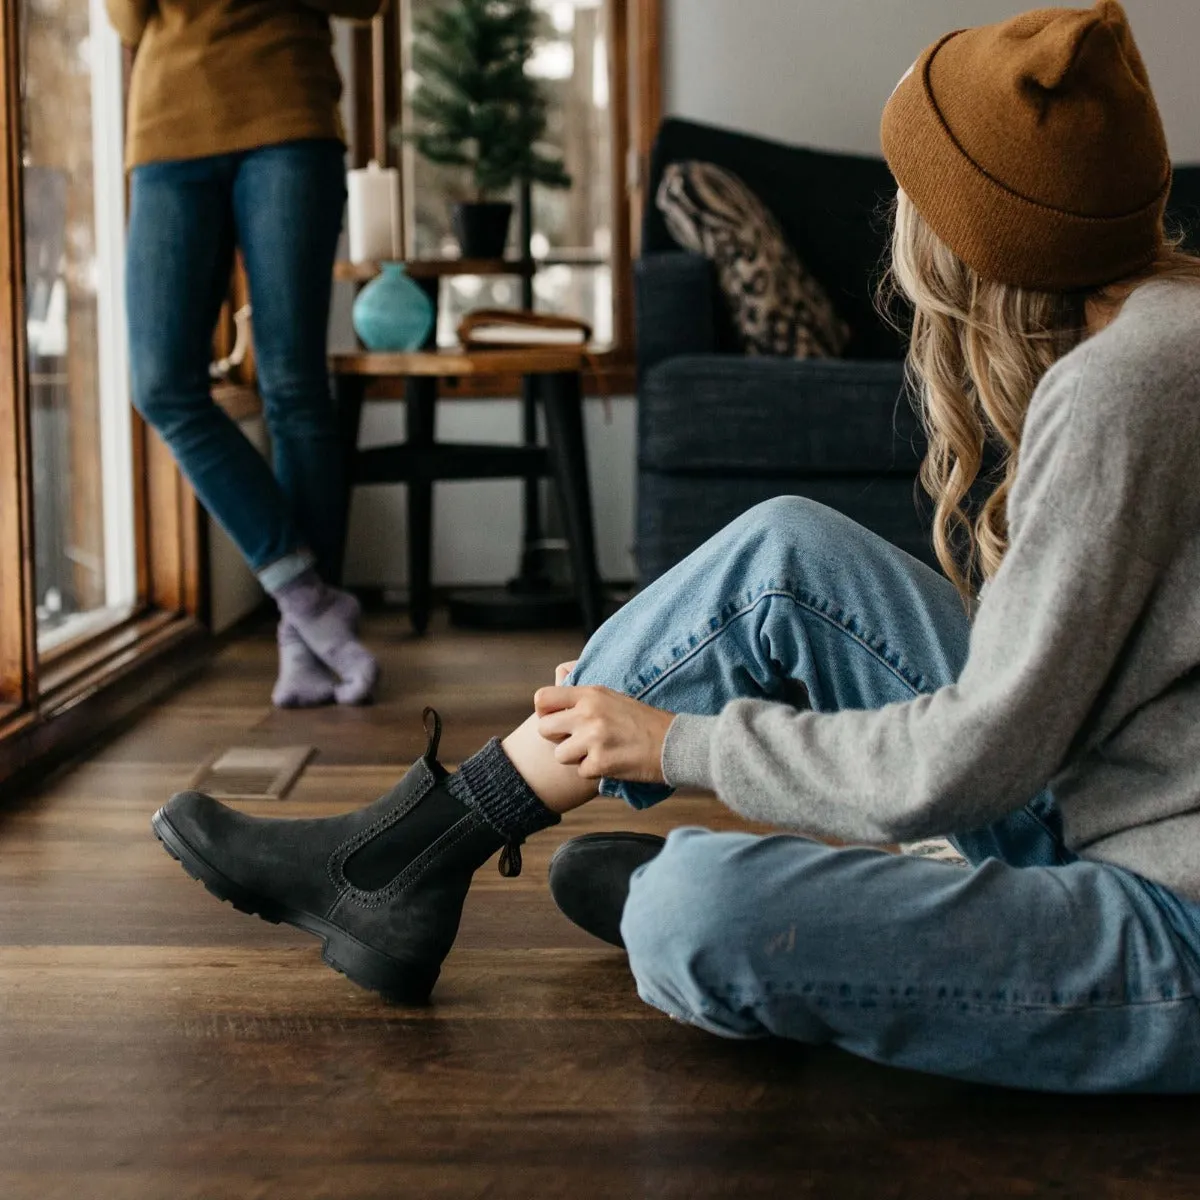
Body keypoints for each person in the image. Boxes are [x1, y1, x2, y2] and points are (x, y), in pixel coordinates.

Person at [151, 1, 1200, 1092]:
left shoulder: (1121, 388)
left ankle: (768, 896)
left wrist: (673, 745)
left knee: (692, 915)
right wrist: (643, 716)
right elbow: (1033, 710)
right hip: (1112, 800)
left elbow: (973, 758)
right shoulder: (1164, 328)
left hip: (1173, 921)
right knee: (785, 553)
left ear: (979, 231)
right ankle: (416, 854)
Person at [107, 0, 381, 707]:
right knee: (162, 384)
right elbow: (127, 18)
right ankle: (308, 600)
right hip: (168, 125)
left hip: (287, 113)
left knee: (293, 386)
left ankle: (302, 643)